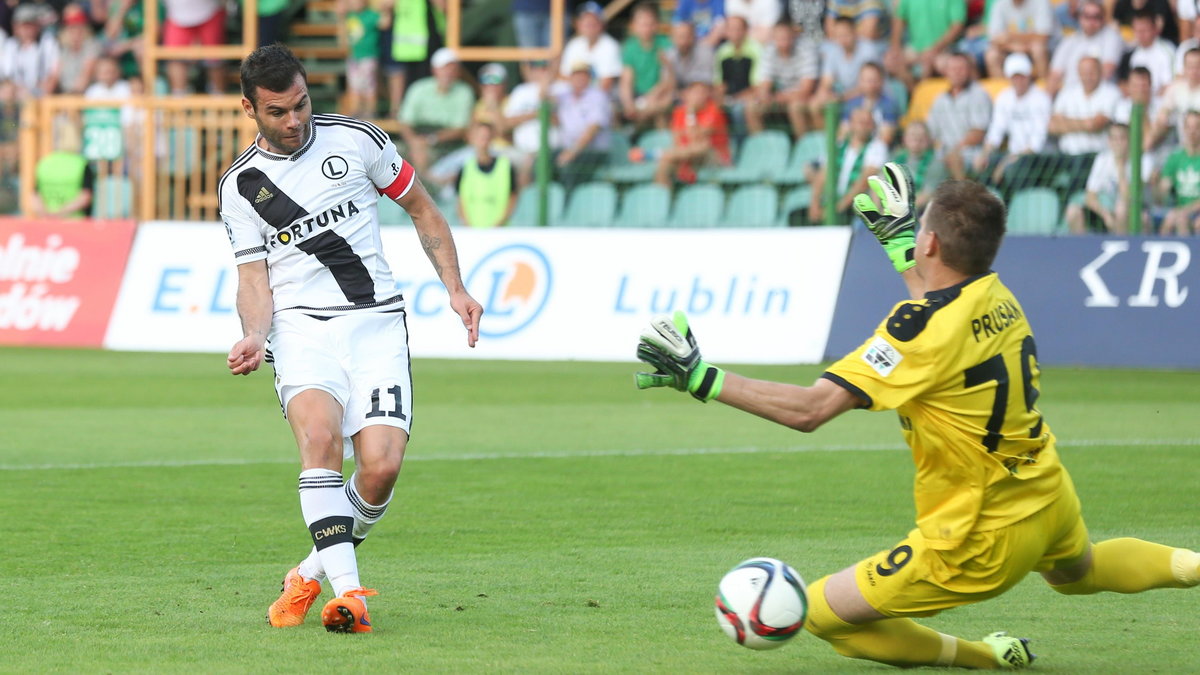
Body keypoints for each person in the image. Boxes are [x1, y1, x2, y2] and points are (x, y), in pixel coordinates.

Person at [634, 163, 1200, 670]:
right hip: (1046, 493)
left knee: (822, 614)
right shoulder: (997, 293)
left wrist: (700, 376)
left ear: (931, 241)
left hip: (978, 533)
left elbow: (812, 409)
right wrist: (901, 244)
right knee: (1083, 574)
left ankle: (985, 658)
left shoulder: (915, 329)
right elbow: (940, 308)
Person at [219, 44, 482, 633]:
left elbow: (424, 210)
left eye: (302, 104)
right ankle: (349, 597)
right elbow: (252, 277)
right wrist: (255, 335)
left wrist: (456, 289)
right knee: (319, 443)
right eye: (279, 112)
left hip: (377, 324)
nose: (295, 120)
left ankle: (308, 573)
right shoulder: (241, 187)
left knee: (381, 470)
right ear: (249, 109)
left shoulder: (359, 140)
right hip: (302, 329)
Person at [975, 53, 1052, 186]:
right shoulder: (1004, 97)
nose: (1018, 81)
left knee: (1012, 171)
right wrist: (984, 154)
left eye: (1021, 77)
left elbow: (1037, 143)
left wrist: (1005, 163)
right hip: (1012, 155)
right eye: (1014, 77)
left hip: (1036, 158)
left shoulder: (1041, 98)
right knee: (982, 166)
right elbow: (996, 130)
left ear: (1028, 76)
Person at [397, 47, 475, 175]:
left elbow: (460, 129)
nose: (448, 72)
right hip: (420, 138)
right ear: (434, 70)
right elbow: (404, 122)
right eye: (445, 68)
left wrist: (429, 140)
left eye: (452, 68)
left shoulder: (464, 92)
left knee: (421, 154)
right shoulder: (419, 88)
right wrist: (414, 141)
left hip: (447, 144)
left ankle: (422, 187)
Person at [1065, 123, 1152, 233]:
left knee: (1122, 209)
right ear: (1109, 141)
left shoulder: (1143, 160)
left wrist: (1120, 166)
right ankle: (1080, 249)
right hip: (1108, 211)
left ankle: (1123, 247)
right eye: (1114, 138)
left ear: (1130, 140)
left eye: (1122, 138)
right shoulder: (1102, 159)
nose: (1118, 143)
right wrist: (1106, 215)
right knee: (1073, 211)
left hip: (1136, 211)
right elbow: (1090, 196)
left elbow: (1127, 197)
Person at [808, 107, 887, 223]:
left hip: (856, 205)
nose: (865, 126)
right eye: (861, 122)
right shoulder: (839, 144)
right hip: (831, 199)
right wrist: (814, 204)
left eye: (869, 123)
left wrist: (838, 207)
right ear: (851, 124)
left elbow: (864, 182)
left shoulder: (877, 146)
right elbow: (823, 173)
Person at [926, 52, 992, 180]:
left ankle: (962, 195)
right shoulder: (940, 99)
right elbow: (930, 132)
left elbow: (978, 133)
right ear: (946, 72)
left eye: (961, 69)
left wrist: (953, 151)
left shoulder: (979, 95)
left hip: (971, 154)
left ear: (969, 71)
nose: (957, 72)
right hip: (943, 154)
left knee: (952, 159)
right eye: (953, 69)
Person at [654, 79, 731, 185]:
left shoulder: (714, 111)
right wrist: (683, 162)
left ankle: (662, 154)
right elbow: (677, 139)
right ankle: (664, 198)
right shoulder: (679, 112)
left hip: (715, 157)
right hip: (687, 156)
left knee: (702, 146)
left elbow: (695, 138)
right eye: (696, 92)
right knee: (664, 165)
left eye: (703, 93)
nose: (699, 96)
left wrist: (690, 113)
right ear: (687, 95)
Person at [553, 61, 611, 187]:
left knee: (569, 168)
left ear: (589, 78)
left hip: (593, 151)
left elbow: (593, 129)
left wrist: (572, 152)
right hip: (569, 149)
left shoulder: (597, 97)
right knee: (542, 162)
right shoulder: (564, 97)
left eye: (583, 75)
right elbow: (543, 100)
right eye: (576, 74)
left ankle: (568, 204)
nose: (579, 78)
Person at [1047, 0, 1122, 96]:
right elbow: (1055, 74)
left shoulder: (1111, 37)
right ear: (1080, 18)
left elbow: (1107, 71)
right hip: (1069, 95)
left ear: (1103, 19)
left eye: (1096, 17)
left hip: (1099, 94)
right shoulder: (1069, 40)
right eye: (1087, 16)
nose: (1091, 21)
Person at [619, 3, 674, 129]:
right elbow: (626, 81)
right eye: (643, 24)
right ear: (634, 26)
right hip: (639, 95)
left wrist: (650, 98)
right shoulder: (630, 47)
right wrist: (628, 104)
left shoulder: (666, 44)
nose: (647, 29)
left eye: (650, 24)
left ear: (656, 25)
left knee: (663, 104)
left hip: (659, 94)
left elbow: (668, 80)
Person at [455, 121, 517, 228]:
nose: (483, 141)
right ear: (472, 138)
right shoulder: (465, 168)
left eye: (486, 137)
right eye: (480, 137)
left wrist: (500, 223)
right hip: (472, 231)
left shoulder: (505, 166)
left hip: (499, 230)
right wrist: (466, 224)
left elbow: (513, 197)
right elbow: (460, 200)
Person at [31, 123, 94, 219]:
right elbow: (85, 198)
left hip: (47, 222)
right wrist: (60, 213)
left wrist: (45, 214)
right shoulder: (81, 164)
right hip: (75, 222)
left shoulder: (44, 162)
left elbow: (35, 196)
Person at [559, 2, 623, 94]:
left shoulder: (611, 46)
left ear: (601, 24)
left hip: (602, 98)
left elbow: (607, 83)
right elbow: (563, 76)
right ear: (579, 24)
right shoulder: (573, 44)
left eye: (593, 22)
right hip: (576, 96)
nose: (590, 26)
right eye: (586, 22)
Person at [1155, 110, 1200, 235]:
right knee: (1171, 219)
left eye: (1197, 127)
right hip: (1181, 209)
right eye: (1189, 127)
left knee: (1185, 220)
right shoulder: (1175, 157)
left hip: (1193, 211)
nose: (1192, 132)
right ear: (1184, 129)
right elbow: (1161, 192)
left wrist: (1186, 210)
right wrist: (1160, 187)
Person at [983, 0, 1053, 79]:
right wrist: (1014, 47)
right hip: (1009, 48)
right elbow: (994, 39)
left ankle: (1043, 85)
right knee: (992, 55)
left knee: (1038, 49)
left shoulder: (1041, 2)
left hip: (1033, 48)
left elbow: (1043, 36)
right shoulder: (1000, 3)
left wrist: (1011, 36)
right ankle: (1002, 88)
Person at [341, 0, 383, 119]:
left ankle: (371, 111)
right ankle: (356, 111)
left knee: (369, 85)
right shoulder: (350, 16)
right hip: (354, 57)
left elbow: (384, 23)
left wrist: (386, 9)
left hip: (368, 56)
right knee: (354, 85)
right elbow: (344, 37)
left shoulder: (371, 15)